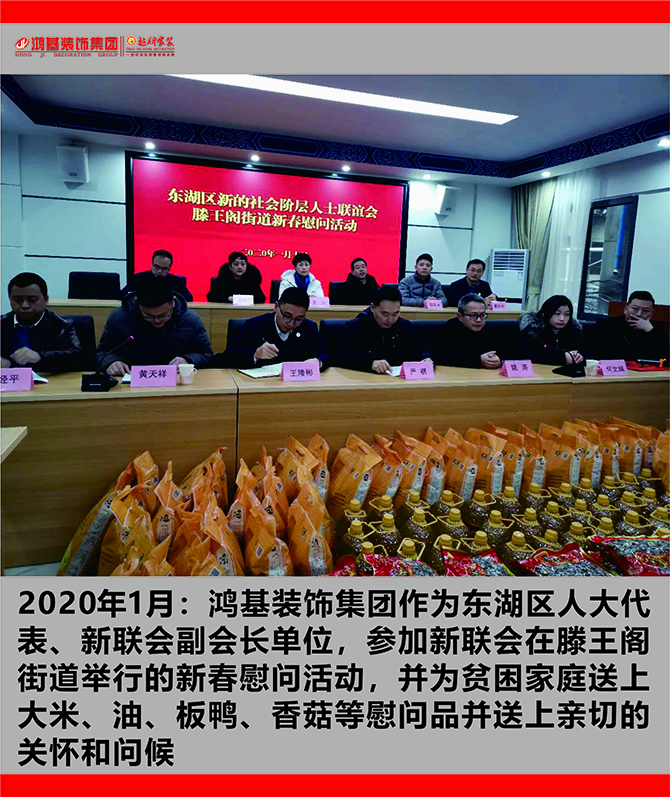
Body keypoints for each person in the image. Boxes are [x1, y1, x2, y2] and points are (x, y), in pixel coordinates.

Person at [95, 281, 212, 376]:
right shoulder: (119, 318)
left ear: (173, 303)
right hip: (130, 382)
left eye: (163, 315)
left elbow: (206, 353)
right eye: (148, 316)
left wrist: (188, 360)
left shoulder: (190, 321)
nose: (157, 320)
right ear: (138, 305)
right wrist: (111, 362)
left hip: (175, 382)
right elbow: (103, 352)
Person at [220, 287, 328, 370]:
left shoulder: (309, 328)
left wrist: (318, 362)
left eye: (298, 319)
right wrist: (256, 353)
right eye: (287, 316)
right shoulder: (255, 325)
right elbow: (228, 356)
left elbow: (324, 355)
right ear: (276, 306)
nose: (291, 323)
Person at [338, 285, 432, 373]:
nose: (390, 320)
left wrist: (426, 358)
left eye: (395, 314)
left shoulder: (405, 326)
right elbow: (341, 355)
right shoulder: (354, 327)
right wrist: (370, 363)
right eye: (385, 314)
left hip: (397, 380)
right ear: (372, 308)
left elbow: (421, 349)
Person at [1, 272, 83, 372]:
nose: (25, 305)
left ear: (46, 300)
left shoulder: (62, 326)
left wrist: (40, 357)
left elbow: (78, 357)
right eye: (18, 300)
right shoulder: (2, 324)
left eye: (32, 300)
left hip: (47, 380)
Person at [584, 290, 670, 363]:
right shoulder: (604, 327)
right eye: (635, 309)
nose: (639, 314)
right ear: (626, 309)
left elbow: (664, 358)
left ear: (651, 313)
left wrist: (650, 331)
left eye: (645, 311)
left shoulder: (657, 331)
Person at [434, 294, 501, 369]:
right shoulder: (447, 331)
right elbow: (443, 358)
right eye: (473, 316)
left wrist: (496, 360)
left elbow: (501, 352)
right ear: (460, 316)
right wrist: (478, 361)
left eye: (482, 315)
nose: (479, 320)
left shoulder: (489, 330)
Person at [515, 295, 584, 365]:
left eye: (567, 314)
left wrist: (579, 357)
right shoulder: (533, 330)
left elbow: (586, 352)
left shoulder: (574, 331)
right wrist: (561, 357)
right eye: (557, 314)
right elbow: (525, 354)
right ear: (546, 313)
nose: (562, 319)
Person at [121, 249, 194, 302]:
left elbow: (189, 297)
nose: (159, 271)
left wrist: (168, 295)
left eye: (164, 268)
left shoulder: (176, 281)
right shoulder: (139, 278)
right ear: (151, 264)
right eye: (156, 267)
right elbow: (120, 294)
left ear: (169, 268)